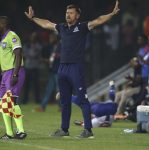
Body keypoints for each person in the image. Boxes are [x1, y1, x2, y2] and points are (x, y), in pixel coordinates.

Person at [25, 1, 119, 138]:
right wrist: (33, 18)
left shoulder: (82, 27)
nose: (68, 15)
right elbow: (47, 23)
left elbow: (98, 21)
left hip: (76, 67)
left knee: (82, 100)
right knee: (64, 101)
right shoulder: (62, 27)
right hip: (62, 68)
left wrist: (111, 14)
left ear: (77, 15)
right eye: (67, 13)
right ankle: (64, 129)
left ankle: (88, 130)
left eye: (71, 13)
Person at [0, 16, 27, 139]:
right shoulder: (2, 39)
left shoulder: (12, 36)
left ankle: (21, 131)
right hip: (5, 73)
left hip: (14, 71)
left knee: (12, 101)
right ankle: (9, 133)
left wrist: (15, 74)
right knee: (2, 102)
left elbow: (19, 54)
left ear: (3, 24)